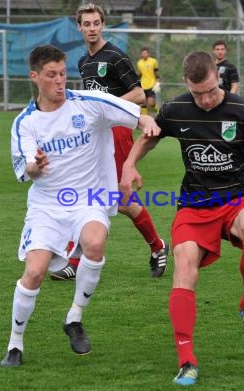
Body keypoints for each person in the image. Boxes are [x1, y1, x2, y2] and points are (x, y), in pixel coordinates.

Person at [120, 51, 244, 385]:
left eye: (211, 90)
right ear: (187, 84)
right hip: (195, 205)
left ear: (218, 76)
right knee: (183, 268)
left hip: (239, 197)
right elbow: (149, 137)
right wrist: (129, 164)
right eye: (199, 93)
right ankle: (187, 361)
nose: (207, 99)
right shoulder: (175, 109)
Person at [0, 45, 160, 367]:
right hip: (46, 205)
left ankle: (74, 317)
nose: (60, 81)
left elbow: (133, 113)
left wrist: (146, 124)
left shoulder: (87, 102)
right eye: (51, 75)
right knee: (34, 272)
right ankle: (15, 344)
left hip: (89, 199)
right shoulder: (25, 123)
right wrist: (36, 166)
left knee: (95, 243)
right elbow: (26, 169)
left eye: (62, 74)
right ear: (35, 77)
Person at [50, 2, 169, 280]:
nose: (91, 28)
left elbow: (139, 95)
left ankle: (157, 245)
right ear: (79, 27)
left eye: (96, 23)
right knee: (84, 193)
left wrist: (106, 104)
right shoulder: (83, 62)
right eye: (86, 24)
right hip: (95, 134)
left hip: (118, 132)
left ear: (103, 25)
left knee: (123, 198)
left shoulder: (115, 57)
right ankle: (76, 260)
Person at [136, 47, 161, 115]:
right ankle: (145, 118)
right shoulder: (139, 63)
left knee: (151, 103)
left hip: (151, 84)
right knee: (143, 103)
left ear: (148, 54)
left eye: (145, 53)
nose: (144, 54)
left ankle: (159, 111)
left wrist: (157, 82)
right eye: (142, 53)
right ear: (141, 54)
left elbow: (156, 72)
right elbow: (140, 74)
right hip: (143, 85)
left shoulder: (153, 61)